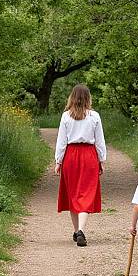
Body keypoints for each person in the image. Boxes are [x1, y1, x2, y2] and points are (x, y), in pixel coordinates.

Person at [55, 84, 106, 247]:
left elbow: (61, 141)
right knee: (86, 193)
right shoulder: (94, 116)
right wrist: (102, 159)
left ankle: (77, 230)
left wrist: (58, 160)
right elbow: (100, 141)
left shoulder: (66, 116)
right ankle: (80, 231)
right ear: (88, 98)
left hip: (71, 156)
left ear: (72, 97)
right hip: (89, 156)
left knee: (73, 193)